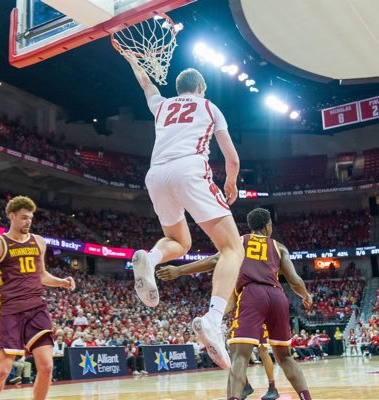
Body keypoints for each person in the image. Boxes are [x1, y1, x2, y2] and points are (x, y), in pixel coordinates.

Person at [125, 54, 245, 369]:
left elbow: (145, 84)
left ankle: (149, 258)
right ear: (201, 87)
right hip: (189, 169)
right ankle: (214, 318)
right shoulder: (209, 107)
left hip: (156, 175)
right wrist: (230, 183)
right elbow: (231, 159)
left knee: (179, 241)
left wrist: (132, 59)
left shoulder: (163, 105)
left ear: (179, 88)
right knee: (232, 248)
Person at [157, 208, 313, 400]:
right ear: (267, 226)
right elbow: (295, 280)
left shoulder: (240, 241)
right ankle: (307, 398)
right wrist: (305, 295)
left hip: (252, 294)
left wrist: (179, 270)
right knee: (286, 357)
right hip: (278, 296)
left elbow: (216, 260)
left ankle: (236, 394)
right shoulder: (279, 247)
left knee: (239, 356)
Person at [0, 195, 75, 400]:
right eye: (23, 217)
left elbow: (41, 276)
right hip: (10, 310)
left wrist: (61, 281)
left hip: (37, 309)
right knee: (4, 370)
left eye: (30, 218)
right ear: (11, 216)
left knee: (47, 366)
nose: (28, 222)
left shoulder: (38, 242)